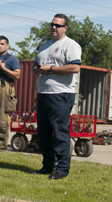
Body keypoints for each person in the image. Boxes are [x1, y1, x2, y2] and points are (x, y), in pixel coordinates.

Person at [32, 14, 82, 180]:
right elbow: (37, 65)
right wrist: (36, 69)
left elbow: (75, 67)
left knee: (60, 132)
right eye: (52, 24)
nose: (54, 27)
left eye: (58, 25)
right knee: (44, 133)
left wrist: (51, 69)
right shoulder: (44, 46)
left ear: (65, 28)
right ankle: (47, 165)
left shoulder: (71, 45)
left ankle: (62, 169)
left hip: (61, 94)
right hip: (43, 94)